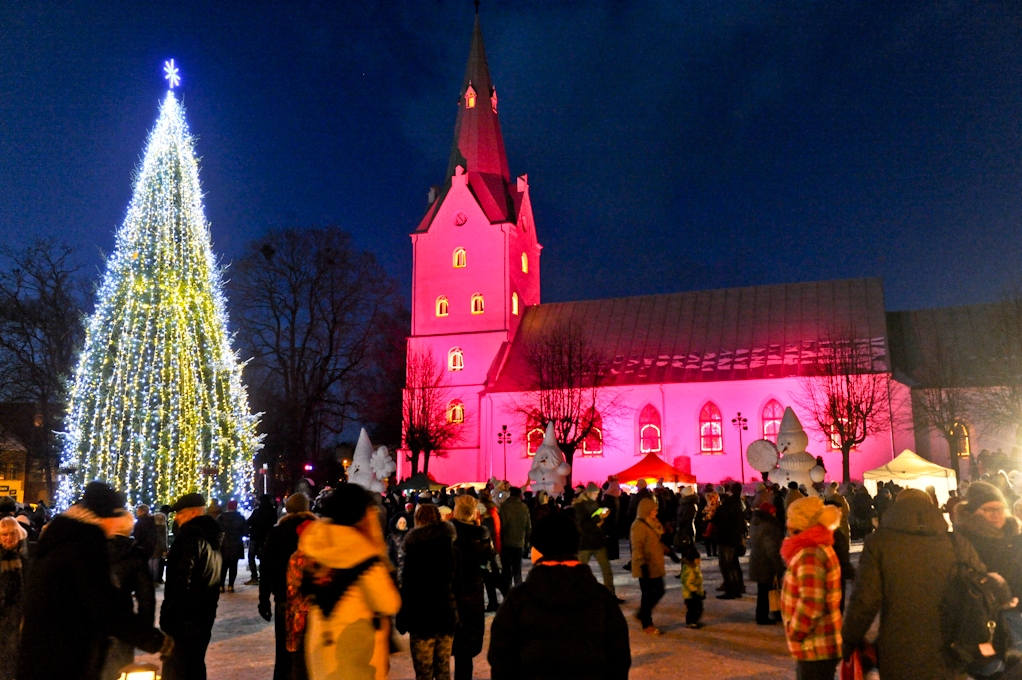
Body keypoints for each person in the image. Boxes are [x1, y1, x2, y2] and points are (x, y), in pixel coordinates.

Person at [18, 482, 170, 680]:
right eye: (117, 517)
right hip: (63, 658)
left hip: (44, 655)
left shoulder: (62, 537)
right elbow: (104, 605)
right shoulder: (82, 546)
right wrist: (154, 640)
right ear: (106, 516)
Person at [843, 489, 984, 680]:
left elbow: (865, 599)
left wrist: (851, 638)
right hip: (952, 647)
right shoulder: (957, 543)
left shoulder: (879, 544)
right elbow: (981, 587)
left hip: (899, 649)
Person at [488, 512, 631, 680]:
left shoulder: (518, 600)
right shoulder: (601, 598)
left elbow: (501, 658)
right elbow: (619, 658)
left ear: (538, 550)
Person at [299, 483, 400, 680]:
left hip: (320, 641)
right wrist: (377, 545)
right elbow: (389, 603)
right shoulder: (362, 553)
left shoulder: (317, 544)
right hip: (355, 648)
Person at [160, 493, 223, 680]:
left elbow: (178, 583)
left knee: (178, 669)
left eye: (180, 513)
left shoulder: (188, 539)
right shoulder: (213, 538)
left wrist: (169, 618)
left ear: (194, 512)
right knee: (195, 665)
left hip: (184, 620)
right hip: (204, 615)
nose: (176, 518)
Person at [779, 496, 843, 680]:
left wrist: (796, 631)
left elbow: (811, 601)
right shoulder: (817, 547)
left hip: (816, 644)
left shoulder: (810, 553)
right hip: (819, 643)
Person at [259, 492, 316, 680]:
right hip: (313, 602)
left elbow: (266, 567)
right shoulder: (318, 531)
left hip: (285, 599)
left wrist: (264, 599)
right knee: (310, 653)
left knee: (284, 652)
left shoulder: (278, 532)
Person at [397, 504, 458, 680]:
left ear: (418, 520)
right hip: (445, 615)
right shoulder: (450, 547)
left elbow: (408, 587)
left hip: (422, 619)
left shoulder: (415, 549)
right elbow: (457, 583)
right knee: (443, 669)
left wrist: (403, 618)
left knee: (424, 672)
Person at [101, 510, 157, 680]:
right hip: (122, 626)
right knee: (120, 671)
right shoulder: (134, 555)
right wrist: (141, 631)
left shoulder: (90, 550)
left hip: (91, 626)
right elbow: (146, 598)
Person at [952, 481, 1022, 603]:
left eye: (1000, 508)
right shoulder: (964, 541)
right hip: (987, 612)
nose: (996, 515)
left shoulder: (1015, 536)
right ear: (973, 512)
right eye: (989, 509)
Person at [451, 493, 494, 680]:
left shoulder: (448, 536)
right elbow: (489, 561)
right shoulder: (481, 538)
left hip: (449, 596)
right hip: (472, 596)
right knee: (465, 652)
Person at [574, 482, 621, 602]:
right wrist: (600, 518)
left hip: (598, 541)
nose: (597, 496)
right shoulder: (580, 506)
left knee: (607, 570)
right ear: (589, 493)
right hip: (585, 542)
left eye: (597, 494)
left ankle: (611, 595)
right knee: (580, 572)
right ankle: (577, 595)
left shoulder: (594, 503)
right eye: (595, 494)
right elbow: (583, 525)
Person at [631, 496, 667, 634]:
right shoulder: (638, 526)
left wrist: (668, 551)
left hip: (655, 564)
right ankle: (646, 623)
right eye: (654, 510)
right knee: (647, 594)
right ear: (646, 510)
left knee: (659, 591)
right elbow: (637, 546)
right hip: (645, 565)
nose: (656, 512)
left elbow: (655, 541)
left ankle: (642, 614)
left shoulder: (653, 523)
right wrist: (642, 563)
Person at [748, 501, 785, 625]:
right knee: (767, 591)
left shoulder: (755, 524)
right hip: (766, 563)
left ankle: (763, 614)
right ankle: (763, 616)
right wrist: (779, 567)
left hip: (757, 560)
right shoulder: (770, 527)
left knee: (763, 591)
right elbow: (772, 550)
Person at [0, 516, 27, 679]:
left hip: (18, 615)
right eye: (4, 534)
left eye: (12, 534)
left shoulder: (26, 558)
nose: (8, 538)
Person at [714, 482, 748, 599]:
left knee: (726, 565)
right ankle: (738, 587)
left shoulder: (729, 502)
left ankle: (731, 590)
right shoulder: (740, 502)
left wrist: (715, 514)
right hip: (735, 537)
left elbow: (720, 517)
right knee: (733, 563)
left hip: (726, 537)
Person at [498, 486, 531, 589]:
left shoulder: (503, 506)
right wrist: (527, 543)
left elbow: (501, 526)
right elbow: (528, 526)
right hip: (519, 542)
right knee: (517, 569)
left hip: (506, 542)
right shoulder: (524, 507)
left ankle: (506, 591)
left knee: (506, 569)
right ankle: (519, 590)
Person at [217, 499, 248, 593]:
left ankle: (221, 586)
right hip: (236, 543)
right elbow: (245, 532)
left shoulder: (221, 518)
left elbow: (216, 530)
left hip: (224, 544)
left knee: (223, 566)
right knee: (233, 566)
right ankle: (231, 585)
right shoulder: (241, 518)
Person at [246, 494, 278, 585]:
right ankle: (264, 576)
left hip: (255, 536)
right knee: (264, 557)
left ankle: (254, 576)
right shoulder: (272, 511)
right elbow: (274, 521)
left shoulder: (257, 511)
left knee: (251, 557)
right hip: (267, 537)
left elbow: (249, 521)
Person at [680, 546, 705, 629]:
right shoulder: (689, 569)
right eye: (697, 558)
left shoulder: (695, 567)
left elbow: (697, 581)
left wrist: (701, 591)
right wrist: (694, 592)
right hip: (690, 595)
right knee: (693, 609)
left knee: (699, 608)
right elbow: (688, 583)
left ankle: (694, 621)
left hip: (696, 593)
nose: (699, 560)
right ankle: (690, 622)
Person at [133, 504, 159, 582]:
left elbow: (137, 536)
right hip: (151, 547)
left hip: (142, 547)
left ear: (141, 511)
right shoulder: (153, 521)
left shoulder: (140, 522)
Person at [153, 510, 169, 584]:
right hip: (158, 549)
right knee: (156, 566)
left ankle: (153, 580)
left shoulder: (151, 527)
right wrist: (165, 549)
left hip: (153, 548)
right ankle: (156, 580)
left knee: (153, 565)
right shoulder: (163, 528)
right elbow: (164, 539)